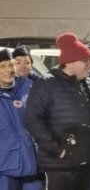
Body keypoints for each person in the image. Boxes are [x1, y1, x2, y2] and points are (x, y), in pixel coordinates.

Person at [24, 32, 90, 190]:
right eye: (85, 61)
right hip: (60, 167)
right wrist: (56, 149)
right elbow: (32, 119)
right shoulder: (47, 84)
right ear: (69, 62)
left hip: (89, 164)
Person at [0, 48, 43, 190]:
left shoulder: (28, 87)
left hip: (32, 161)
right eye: (2, 66)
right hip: (4, 166)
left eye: (11, 65)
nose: (8, 69)